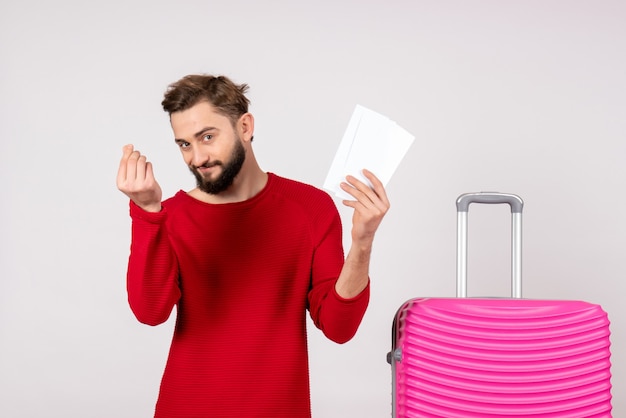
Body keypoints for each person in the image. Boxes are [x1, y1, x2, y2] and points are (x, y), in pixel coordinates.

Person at [116, 74, 390, 418]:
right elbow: (149, 313)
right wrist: (147, 212)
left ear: (245, 126)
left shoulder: (310, 208)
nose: (196, 157)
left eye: (207, 137)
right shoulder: (170, 216)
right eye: (184, 144)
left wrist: (362, 243)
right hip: (186, 407)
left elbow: (338, 328)